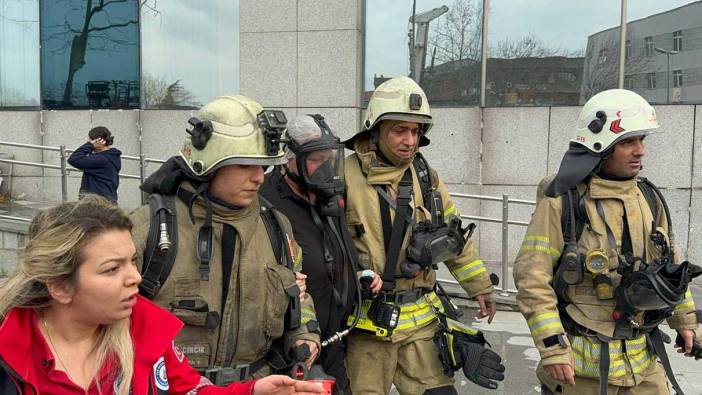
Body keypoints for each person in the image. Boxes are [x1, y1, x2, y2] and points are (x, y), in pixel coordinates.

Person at [0, 196, 324, 394]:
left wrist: (251, 392)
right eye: (113, 269)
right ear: (59, 285)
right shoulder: (9, 358)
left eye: (132, 261)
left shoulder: (145, 330)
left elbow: (190, 391)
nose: (135, 278)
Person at [514, 89, 701, 395]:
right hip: (581, 374)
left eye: (642, 140)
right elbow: (532, 278)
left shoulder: (650, 199)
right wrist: (552, 347)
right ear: (599, 146)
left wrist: (686, 322)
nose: (640, 150)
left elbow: (672, 268)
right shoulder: (563, 202)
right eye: (628, 141)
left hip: (644, 370)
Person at [130, 95, 321, 385]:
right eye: (245, 165)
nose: (259, 178)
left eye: (264, 167)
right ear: (208, 165)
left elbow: (298, 291)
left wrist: (304, 336)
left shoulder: (276, 227)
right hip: (175, 387)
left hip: (257, 386)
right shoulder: (149, 228)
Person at [342, 76, 504, 394]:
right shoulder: (342, 176)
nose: (409, 140)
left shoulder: (425, 176)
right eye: (399, 130)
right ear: (374, 131)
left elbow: (454, 236)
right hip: (368, 332)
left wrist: (480, 286)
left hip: (422, 329)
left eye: (416, 131)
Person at [261, 114, 367, 394]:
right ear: (289, 159)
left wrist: (359, 276)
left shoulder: (330, 198)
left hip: (335, 343)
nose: (326, 167)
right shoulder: (266, 201)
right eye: (316, 160)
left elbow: (339, 251)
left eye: (330, 158)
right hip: (292, 353)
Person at [68, 126, 122, 203]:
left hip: (96, 203)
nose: (90, 142)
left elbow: (73, 159)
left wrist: (89, 145)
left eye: (91, 140)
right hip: (107, 201)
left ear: (98, 141)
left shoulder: (100, 159)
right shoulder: (112, 156)